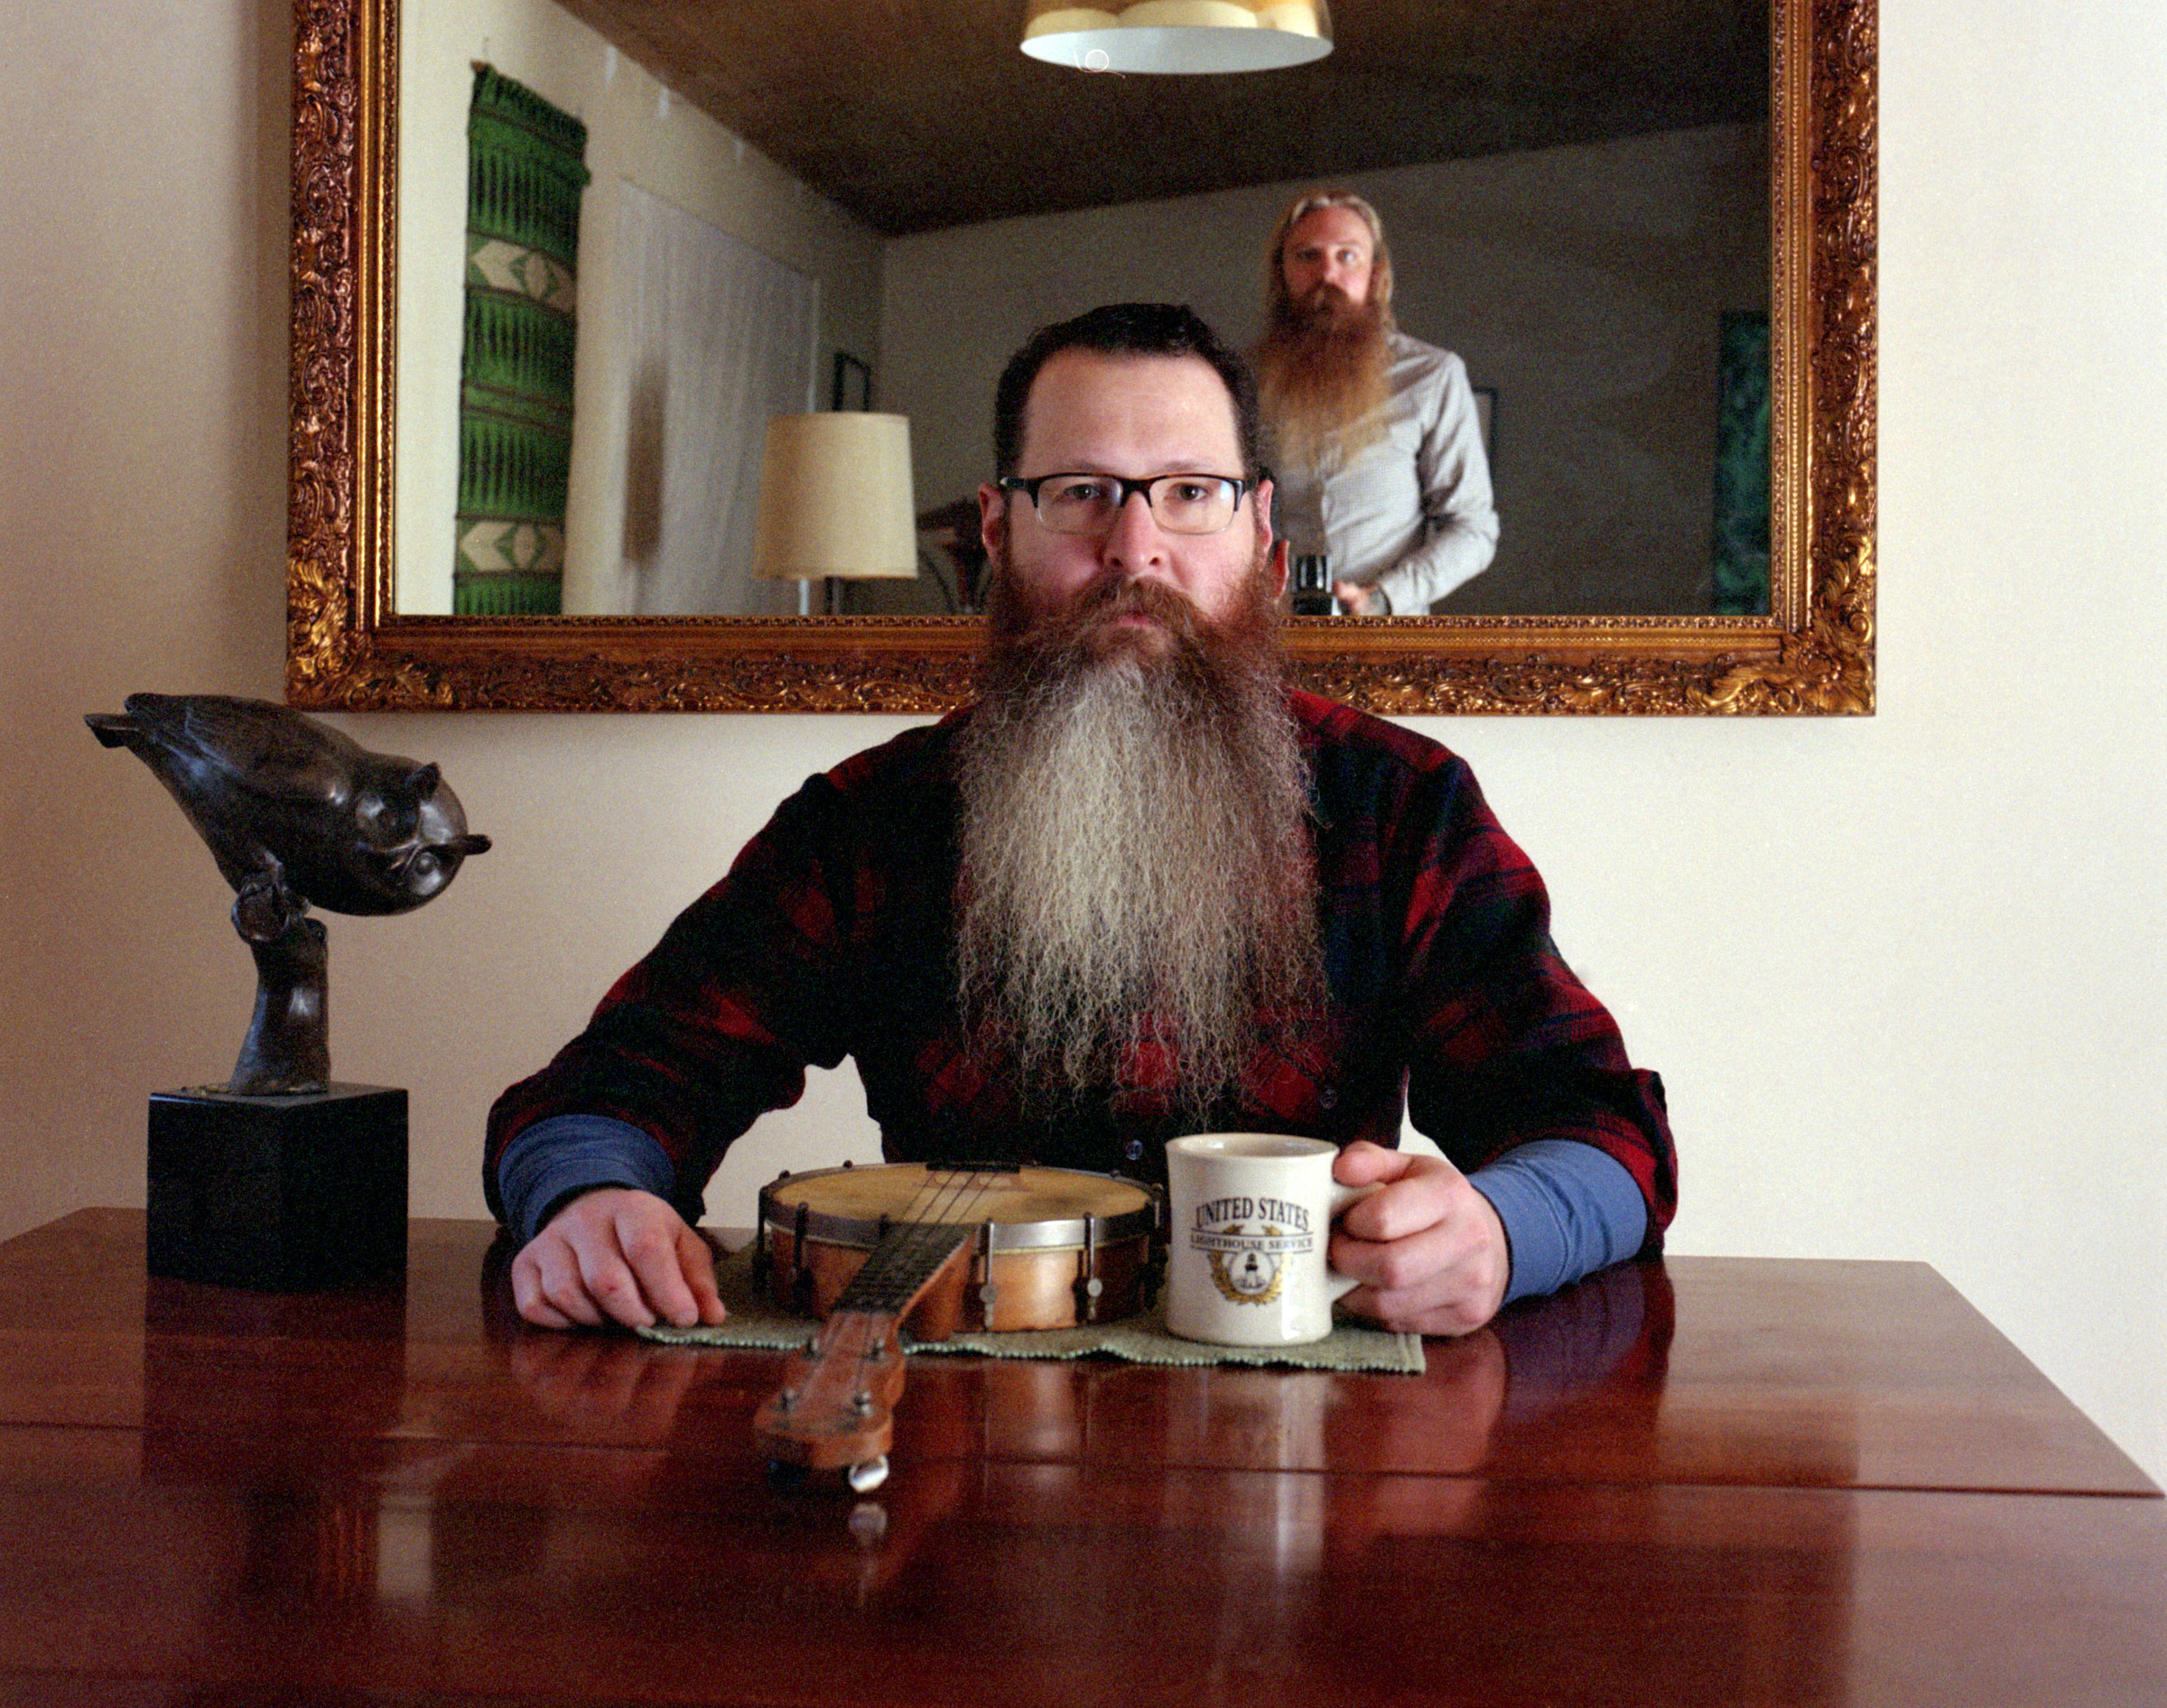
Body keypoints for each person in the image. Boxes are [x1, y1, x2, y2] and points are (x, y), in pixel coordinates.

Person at [487, 303, 1673, 1337]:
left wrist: (1501, 1232)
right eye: (1080, 494)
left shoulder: (1402, 808)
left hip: (1299, 1451)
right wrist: (593, 1202)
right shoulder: (868, 823)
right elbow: (617, 1085)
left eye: (1190, 493)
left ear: (1262, 534)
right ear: (997, 530)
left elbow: (1603, 1134)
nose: (1134, 548)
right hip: (949, 1438)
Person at [1252, 191, 1498, 616]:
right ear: (1282, 273)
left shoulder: (1431, 376)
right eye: (1308, 255)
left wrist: (1382, 598)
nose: (1327, 273)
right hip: (1268, 635)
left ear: (1375, 273)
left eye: (1347, 256)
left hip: (1386, 637)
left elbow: (1473, 528)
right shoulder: (1242, 381)